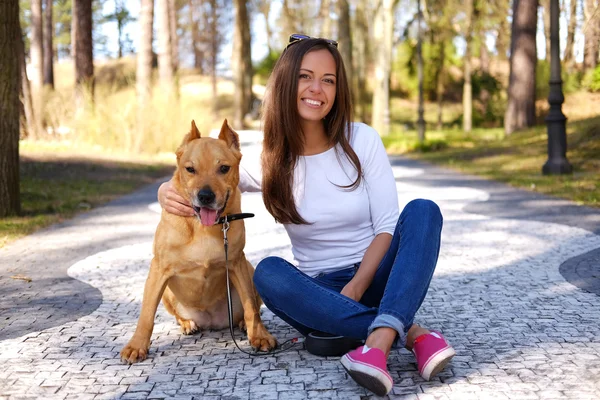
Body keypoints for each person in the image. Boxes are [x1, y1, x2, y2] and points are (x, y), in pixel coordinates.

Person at [157, 34, 455, 397]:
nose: (317, 88)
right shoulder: (270, 157)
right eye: (305, 76)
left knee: (423, 211)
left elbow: (387, 227)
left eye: (328, 80)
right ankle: (410, 333)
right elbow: (212, 173)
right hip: (317, 291)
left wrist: (358, 285)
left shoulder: (362, 140)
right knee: (268, 274)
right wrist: (165, 190)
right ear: (286, 82)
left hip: (375, 274)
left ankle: (375, 341)